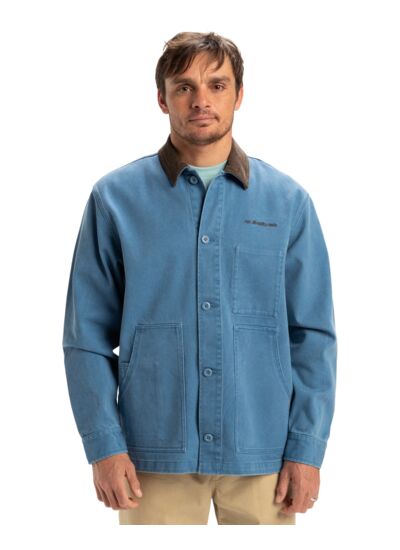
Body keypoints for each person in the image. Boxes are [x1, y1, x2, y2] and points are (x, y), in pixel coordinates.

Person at [62, 31, 337, 525]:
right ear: (161, 98)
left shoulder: (288, 202)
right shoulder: (115, 199)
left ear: (239, 95)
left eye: (217, 85)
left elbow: (313, 337)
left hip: (264, 453)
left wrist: (307, 447)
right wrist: (103, 445)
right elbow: (86, 339)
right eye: (184, 86)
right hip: (151, 454)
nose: (201, 100)